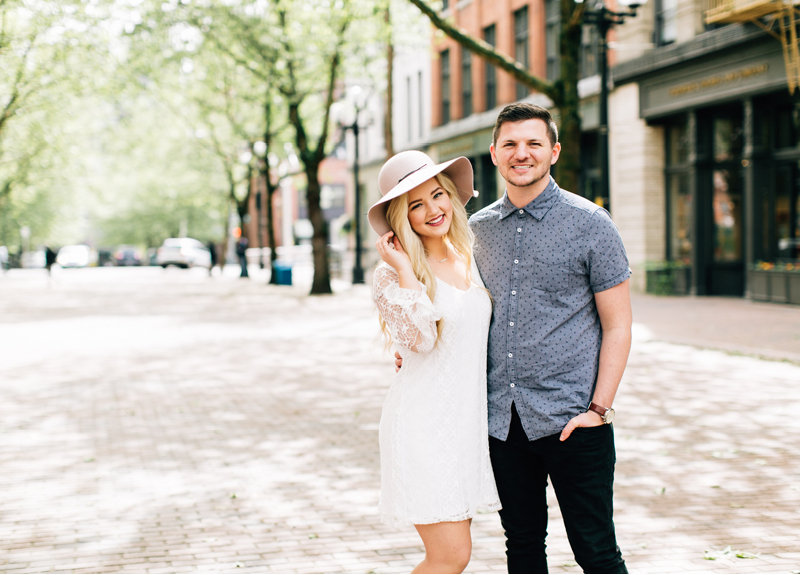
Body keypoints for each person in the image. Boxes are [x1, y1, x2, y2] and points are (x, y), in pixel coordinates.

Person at [397, 103, 632, 574]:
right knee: (522, 550)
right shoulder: (473, 232)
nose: (521, 153)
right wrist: (413, 351)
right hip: (502, 425)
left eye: (533, 143)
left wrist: (598, 410)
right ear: (494, 153)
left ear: (554, 151)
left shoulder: (592, 225)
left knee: (597, 552)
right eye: (510, 144)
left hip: (573, 419)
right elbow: (454, 307)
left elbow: (618, 325)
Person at [368, 150, 501, 574]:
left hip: (464, 425)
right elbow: (421, 341)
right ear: (400, 218)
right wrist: (407, 269)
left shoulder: (470, 254)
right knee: (450, 556)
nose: (432, 210)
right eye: (416, 205)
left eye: (437, 195)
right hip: (423, 425)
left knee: (454, 555)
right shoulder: (390, 274)